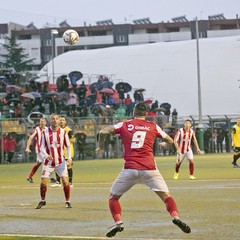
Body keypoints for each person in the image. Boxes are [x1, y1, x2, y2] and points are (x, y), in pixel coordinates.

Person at [95, 102, 191, 238]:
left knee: (113, 197)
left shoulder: (125, 124)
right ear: (146, 114)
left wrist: (101, 147)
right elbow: (170, 140)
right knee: (166, 196)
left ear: (133, 112)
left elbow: (103, 131)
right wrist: (165, 144)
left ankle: (119, 223)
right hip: (150, 169)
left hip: (130, 169)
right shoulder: (153, 126)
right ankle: (175, 217)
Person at [35, 113, 72, 209]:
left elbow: (68, 146)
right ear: (50, 121)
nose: (55, 120)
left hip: (60, 161)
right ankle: (43, 201)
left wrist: (69, 158)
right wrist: (46, 155)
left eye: (56, 119)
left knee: (65, 181)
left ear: (59, 120)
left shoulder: (63, 132)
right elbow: (41, 147)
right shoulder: (45, 132)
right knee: (43, 182)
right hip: (48, 163)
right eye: (52, 119)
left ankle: (67, 201)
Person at [51, 116, 75, 187]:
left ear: (65, 122)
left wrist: (64, 140)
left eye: (63, 120)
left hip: (67, 151)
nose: (61, 121)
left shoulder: (68, 130)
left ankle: (70, 182)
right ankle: (58, 182)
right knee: (57, 165)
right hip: (59, 151)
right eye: (60, 120)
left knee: (68, 166)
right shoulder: (56, 130)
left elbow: (73, 140)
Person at [26, 117, 47, 183]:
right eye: (41, 121)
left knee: (38, 163)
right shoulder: (37, 129)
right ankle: (47, 177)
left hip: (46, 150)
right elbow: (31, 138)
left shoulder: (47, 129)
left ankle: (29, 177)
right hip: (40, 149)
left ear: (45, 122)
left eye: (43, 121)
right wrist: (27, 147)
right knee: (47, 162)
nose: (42, 122)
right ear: (39, 122)